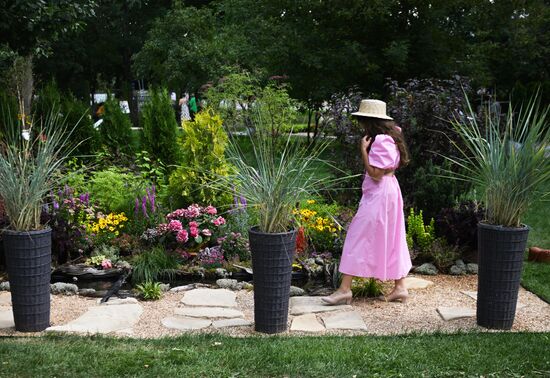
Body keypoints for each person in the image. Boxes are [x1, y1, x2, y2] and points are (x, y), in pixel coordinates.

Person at [322, 99, 412, 305]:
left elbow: (376, 174)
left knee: (357, 235)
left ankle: (345, 290)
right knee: (393, 236)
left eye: (362, 120)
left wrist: (363, 150)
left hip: (380, 194)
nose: (361, 125)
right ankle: (400, 287)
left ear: (369, 121)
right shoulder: (391, 136)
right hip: (390, 191)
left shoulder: (380, 141)